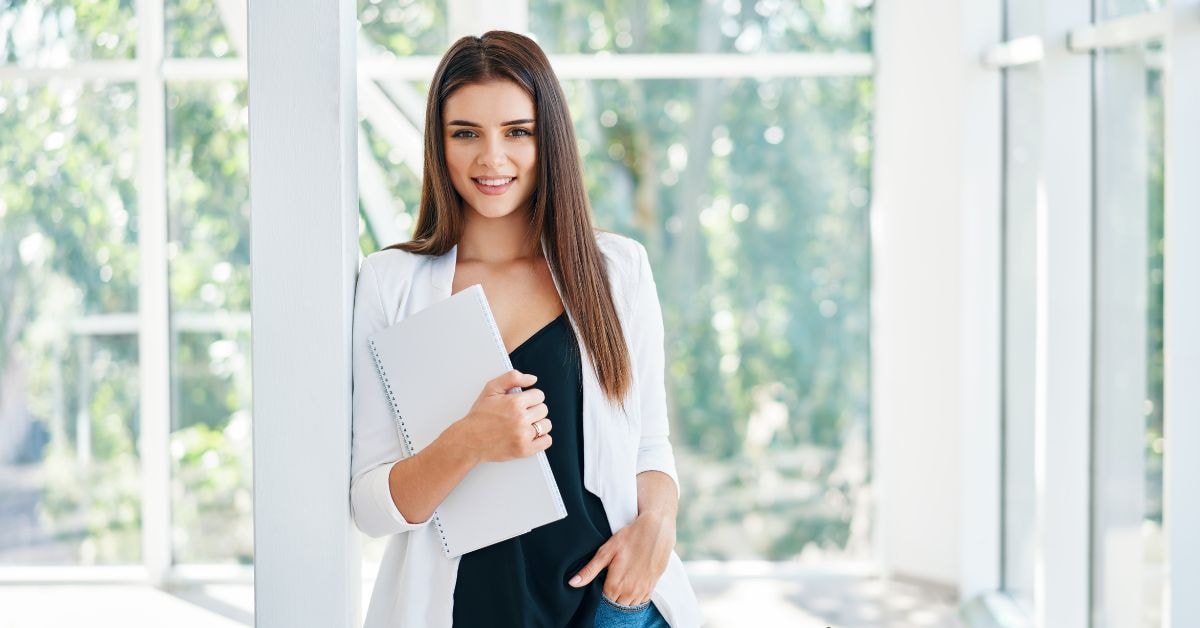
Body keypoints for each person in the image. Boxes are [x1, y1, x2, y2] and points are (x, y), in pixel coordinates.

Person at [349, 31, 702, 628]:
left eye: (518, 131)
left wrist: (659, 525)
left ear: (549, 140)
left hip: (610, 604)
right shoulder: (392, 284)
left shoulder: (616, 271)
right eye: (466, 134)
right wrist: (469, 440)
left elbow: (648, 442)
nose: (492, 159)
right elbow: (370, 505)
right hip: (465, 609)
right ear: (439, 144)